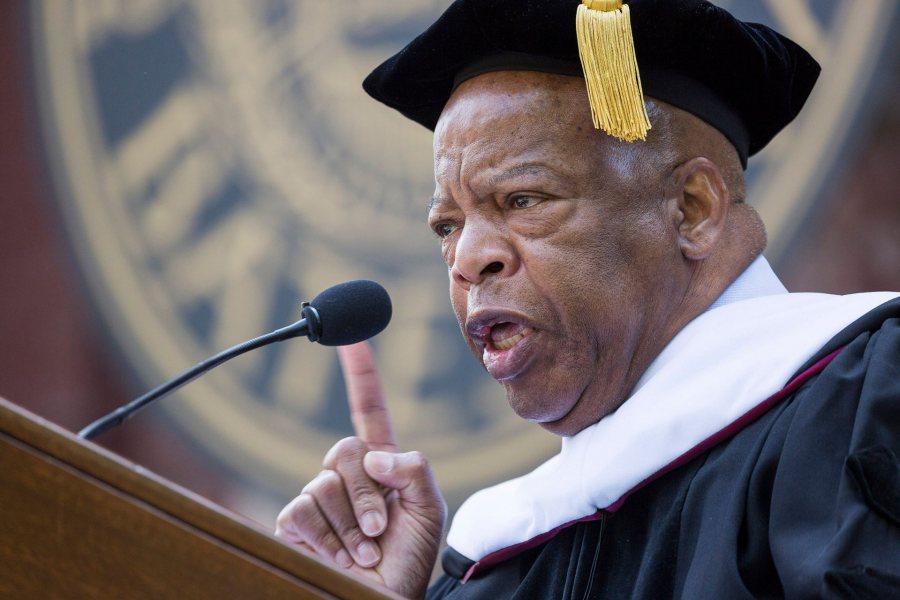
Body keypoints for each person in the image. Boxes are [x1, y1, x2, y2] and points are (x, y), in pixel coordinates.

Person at [275, 1, 900, 598]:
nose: (467, 259)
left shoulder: (858, 402)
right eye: (448, 226)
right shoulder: (496, 561)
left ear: (693, 210)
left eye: (524, 200)